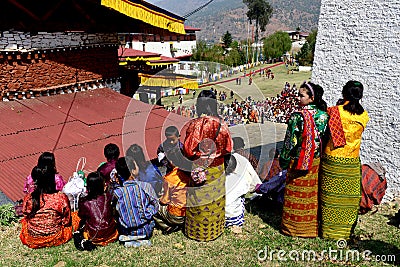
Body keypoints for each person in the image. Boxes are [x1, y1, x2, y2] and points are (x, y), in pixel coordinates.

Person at [320, 81, 369, 240]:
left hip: (332, 160)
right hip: (351, 162)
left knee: (330, 197)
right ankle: (345, 232)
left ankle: (328, 232)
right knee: (347, 199)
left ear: (344, 93)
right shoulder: (364, 115)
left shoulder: (334, 111)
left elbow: (326, 135)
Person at [279, 81, 329, 238]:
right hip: (315, 161)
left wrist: (284, 161)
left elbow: (289, 143)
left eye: (301, 95)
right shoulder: (324, 116)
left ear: (311, 98)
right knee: (310, 196)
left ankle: (293, 228)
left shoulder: (297, 117)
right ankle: (309, 228)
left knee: (295, 195)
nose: (298, 98)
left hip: (298, 161)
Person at [183, 89, 232, 241]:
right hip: (217, 168)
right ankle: (215, 229)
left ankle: (197, 232)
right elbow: (228, 147)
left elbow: (188, 149)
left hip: (200, 167)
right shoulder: (221, 124)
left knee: (199, 200)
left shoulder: (196, 125)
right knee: (214, 200)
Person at [20, 165, 79, 248]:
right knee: (76, 216)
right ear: (52, 180)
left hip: (33, 238)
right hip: (56, 237)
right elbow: (66, 221)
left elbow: (26, 215)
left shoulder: (29, 197)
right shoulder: (61, 197)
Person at [112, 157, 159, 247]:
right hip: (146, 229)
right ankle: (141, 239)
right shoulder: (146, 186)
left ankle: (130, 239)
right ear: (133, 170)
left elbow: (114, 209)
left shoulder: (117, 192)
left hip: (126, 230)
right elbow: (156, 206)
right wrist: (147, 212)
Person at [154, 148, 190, 235]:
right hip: (189, 214)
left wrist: (158, 198)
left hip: (176, 216)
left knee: (152, 207)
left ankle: (166, 226)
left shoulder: (169, 178)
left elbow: (164, 200)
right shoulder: (190, 173)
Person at [77, 172, 118, 246]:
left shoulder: (84, 201)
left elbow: (81, 216)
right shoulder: (108, 197)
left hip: (94, 236)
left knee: (74, 218)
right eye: (104, 183)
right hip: (111, 235)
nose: (105, 184)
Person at [224, 154, 259, 232]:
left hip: (221, 218)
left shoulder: (219, 180)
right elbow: (247, 189)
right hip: (235, 219)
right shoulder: (239, 179)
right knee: (241, 197)